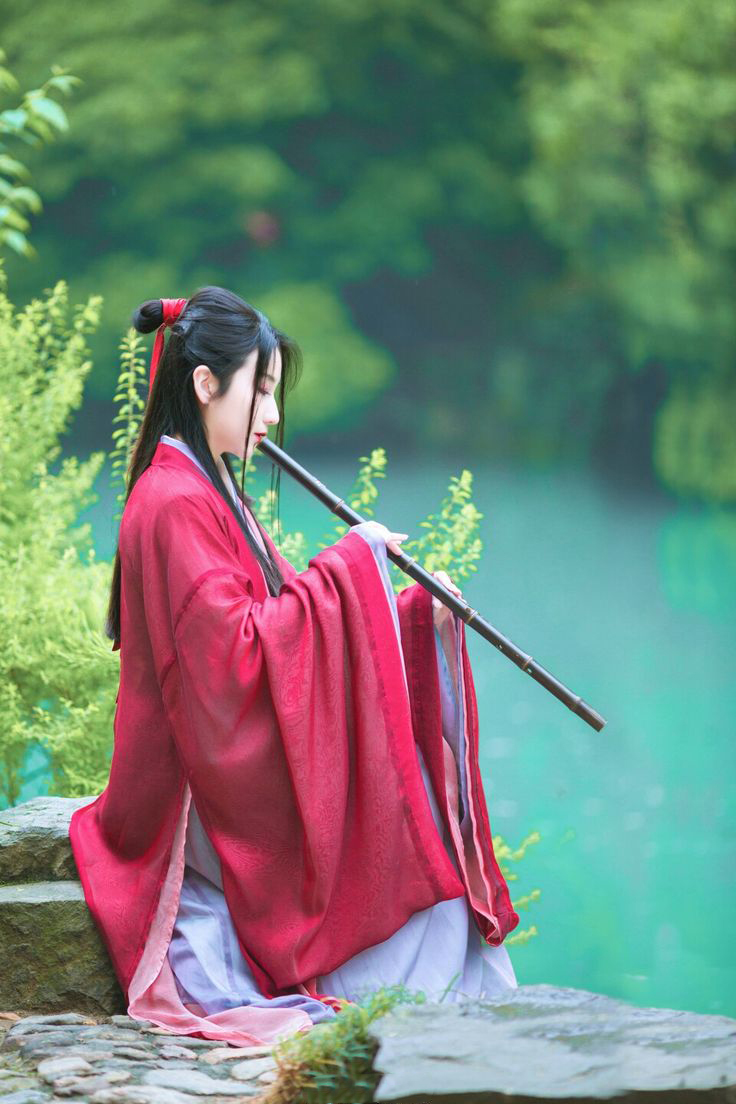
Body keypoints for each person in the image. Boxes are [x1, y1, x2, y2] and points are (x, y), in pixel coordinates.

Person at [69, 286, 519, 1048]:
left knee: (406, 788)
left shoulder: (209, 485)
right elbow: (236, 658)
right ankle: (412, 1002)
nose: (273, 415)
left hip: (221, 761)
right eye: (263, 390)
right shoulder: (173, 499)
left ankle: (430, 998)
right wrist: (353, 562)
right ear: (205, 383)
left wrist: (412, 615)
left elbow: (280, 613)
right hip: (195, 789)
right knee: (391, 817)